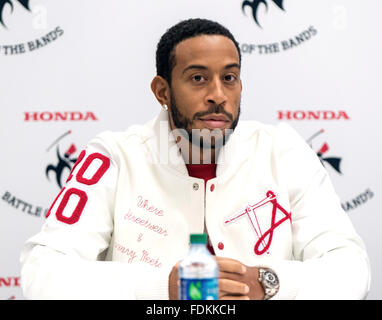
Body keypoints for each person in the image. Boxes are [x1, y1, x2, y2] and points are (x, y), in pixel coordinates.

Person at [20, 18, 370, 300]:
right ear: (162, 91)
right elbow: (43, 273)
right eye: (198, 78)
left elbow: (351, 267)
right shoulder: (115, 155)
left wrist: (266, 281)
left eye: (229, 78)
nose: (218, 95)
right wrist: (165, 290)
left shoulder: (283, 151)